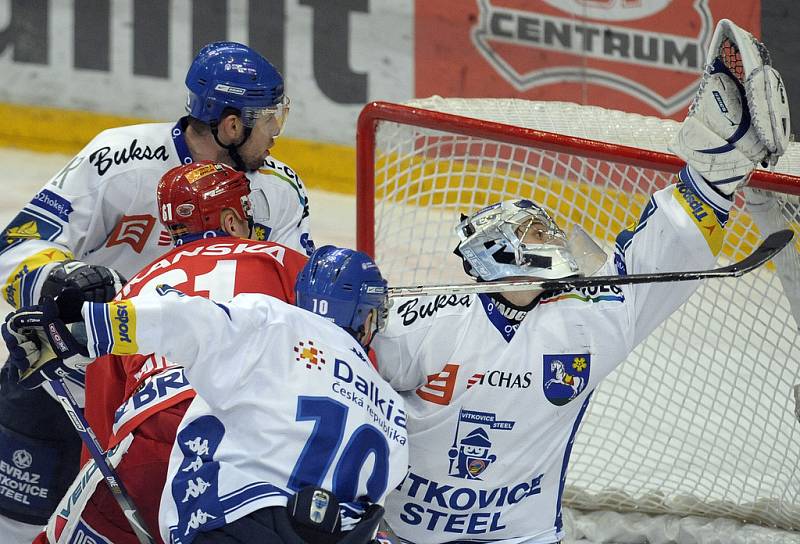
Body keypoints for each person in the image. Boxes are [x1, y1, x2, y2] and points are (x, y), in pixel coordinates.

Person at [370, 20, 790, 544]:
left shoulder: (582, 320)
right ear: (499, 254)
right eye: (532, 230)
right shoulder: (420, 327)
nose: (551, 236)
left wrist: (712, 178)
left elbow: (651, 261)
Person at [0, 41, 314, 542]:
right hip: (69, 378)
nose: (277, 132)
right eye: (269, 118)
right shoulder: (118, 159)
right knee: (16, 525)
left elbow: (298, 295)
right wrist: (62, 280)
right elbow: (16, 246)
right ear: (231, 125)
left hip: (183, 404)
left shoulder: (278, 191)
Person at [4, 244, 407, 544]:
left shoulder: (276, 320)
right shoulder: (389, 405)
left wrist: (80, 332)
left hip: (235, 525)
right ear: (367, 317)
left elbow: (188, 319)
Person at [19, 160, 308, 543]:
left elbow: (106, 420)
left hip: (147, 440)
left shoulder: (136, 287)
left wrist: (107, 484)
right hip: (254, 444)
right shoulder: (283, 261)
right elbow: (334, 354)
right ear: (233, 221)